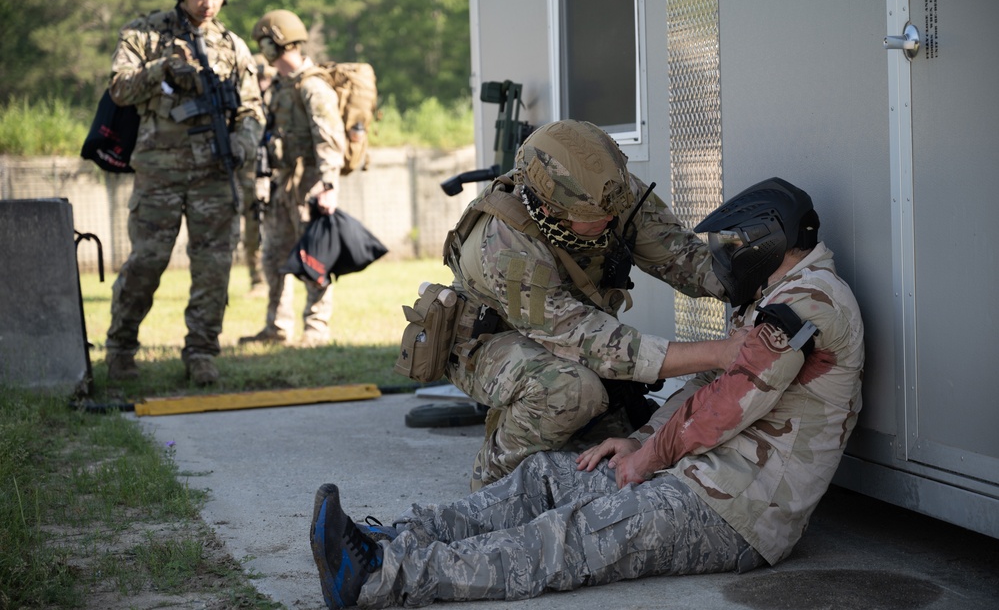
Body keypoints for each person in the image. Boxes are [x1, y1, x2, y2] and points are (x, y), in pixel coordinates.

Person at [309, 176, 865, 608]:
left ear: (763, 240)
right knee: (546, 478)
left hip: (737, 512)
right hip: (696, 476)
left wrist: (649, 456)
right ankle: (385, 537)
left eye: (731, 245)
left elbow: (730, 402)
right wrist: (640, 442)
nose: (723, 258)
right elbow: (705, 385)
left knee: (567, 538)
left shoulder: (811, 301)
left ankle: (379, 578)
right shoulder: (782, 295)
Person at [438, 119, 736, 490]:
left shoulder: (608, 197)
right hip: (490, 341)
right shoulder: (506, 242)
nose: (610, 221)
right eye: (594, 219)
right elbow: (585, 339)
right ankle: (492, 483)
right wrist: (720, 353)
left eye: (613, 211)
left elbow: (683, 259)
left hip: (569, 331)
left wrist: (761, 278)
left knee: (617, 464)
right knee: (570, 391)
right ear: (549, 210)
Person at [104, 0, 265, 385]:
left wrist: (241, 143)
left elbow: (253, 111)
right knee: (147, 263)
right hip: (160, 173)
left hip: (215, 174)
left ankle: (201, 353)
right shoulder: (145, 33)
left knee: (213, 269)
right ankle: (120, 348)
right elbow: (119, 89)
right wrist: (161, 70)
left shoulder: (233, 46)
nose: (208, 2)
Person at [239, 9, 347, 348]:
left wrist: (328, 186)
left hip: (310, 185)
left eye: (265, 44)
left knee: (313, 258)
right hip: (282, 186)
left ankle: (316, 328)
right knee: (274, 257)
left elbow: (329, 139)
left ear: (279, 44)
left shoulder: (313, 86)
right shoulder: (281, 86)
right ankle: (277, 326)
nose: (263, 51)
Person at [240, 53, 277, 298]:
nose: (262, 82)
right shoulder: (244, 102)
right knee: (252, 229)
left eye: (266, 78)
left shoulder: (280, 100)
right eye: (259, 77)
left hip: (275, 173)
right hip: (250, 173)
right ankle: (257, 279)